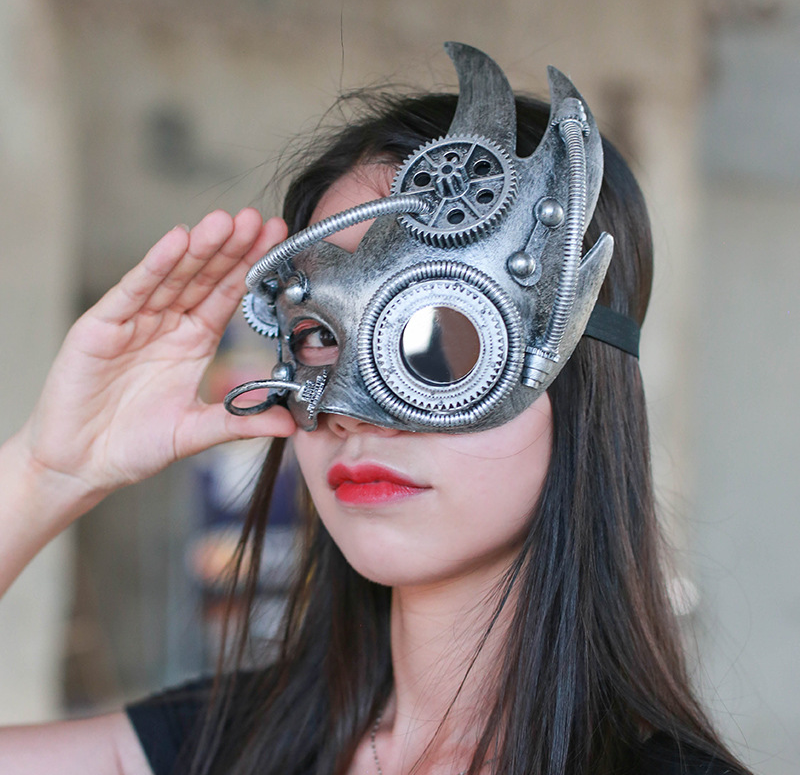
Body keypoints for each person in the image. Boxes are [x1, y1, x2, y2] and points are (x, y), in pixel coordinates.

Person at [0, 45, 750, 775]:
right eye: (318, 335)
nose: (354, 415)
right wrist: (46, 474)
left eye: (435, 337)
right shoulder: (216, 746)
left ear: (573, 363)